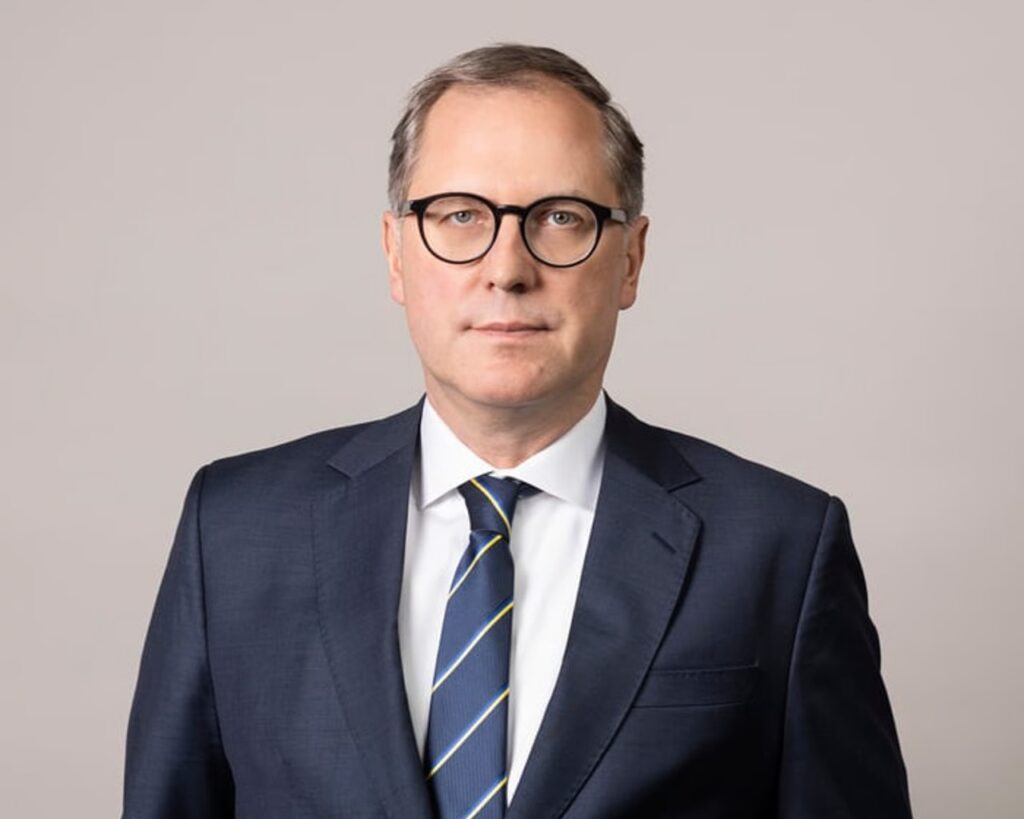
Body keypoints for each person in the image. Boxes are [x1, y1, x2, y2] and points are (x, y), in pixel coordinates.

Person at [123, 44, 913, 818]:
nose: (507, 268)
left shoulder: (780, 548)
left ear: (630, 260)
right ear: (395, 253)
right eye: (460, 215)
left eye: (561, 218)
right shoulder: (234, 531)